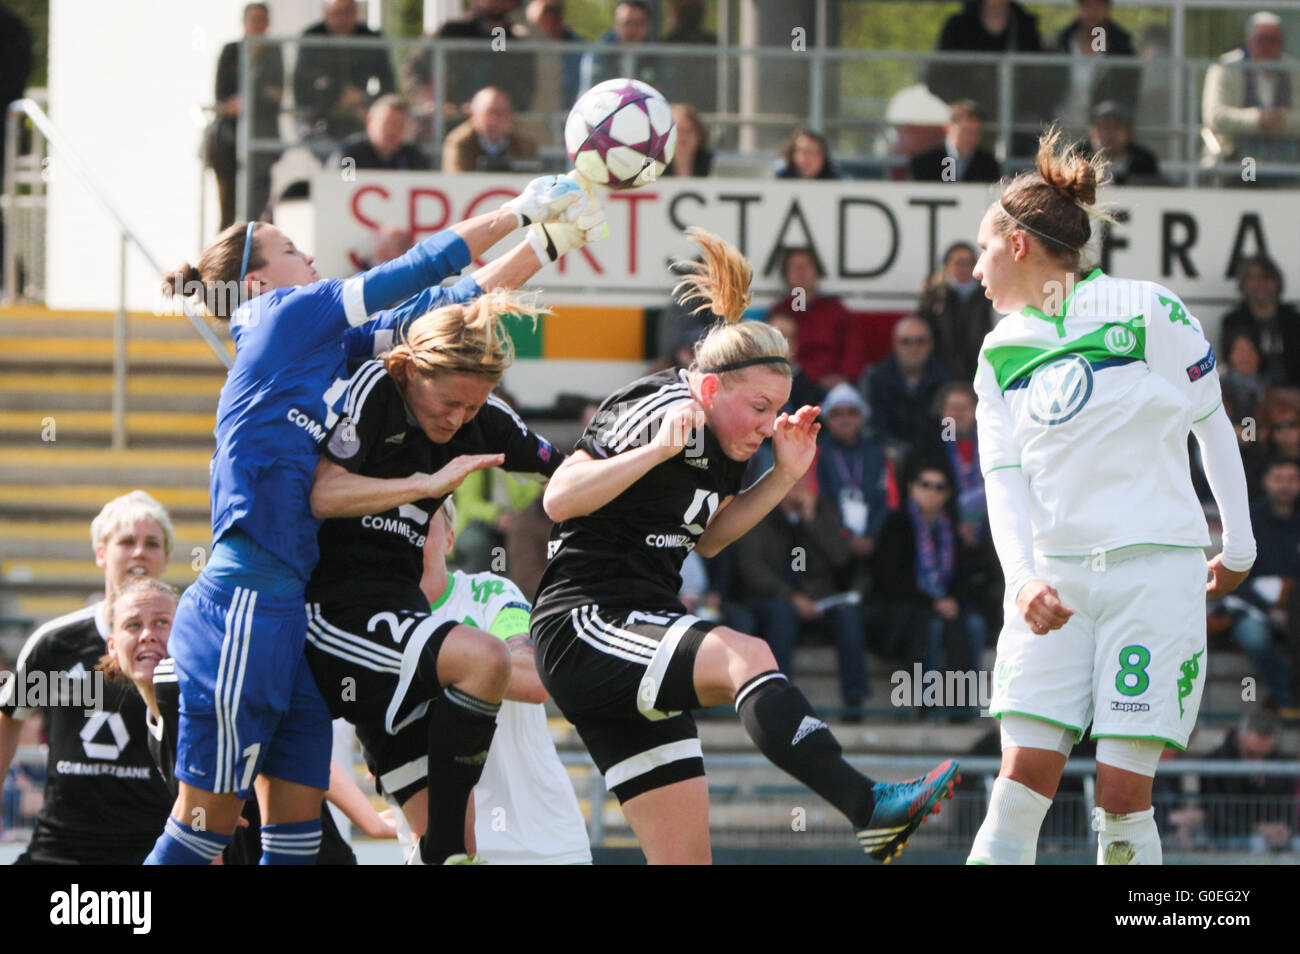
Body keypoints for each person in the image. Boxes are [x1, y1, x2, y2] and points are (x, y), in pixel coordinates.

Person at [144, 175, 605, 866]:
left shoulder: (322, 347)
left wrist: (545, 242)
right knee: (201, 831)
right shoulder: (282, 318)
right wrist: (515, 212)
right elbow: (414, 269)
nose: (310, 257)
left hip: (287, 610)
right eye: (292, 248)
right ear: (256, 284)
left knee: (295, 840)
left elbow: (443, 307)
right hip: (243, 601)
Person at [530, 227, 959, 864]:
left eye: (776, 409)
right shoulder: (659, 406)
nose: (766, 425)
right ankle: (867, 805)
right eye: (759, 408)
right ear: (709, 389)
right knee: (746, 652)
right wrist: (654, 452)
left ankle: (868, 809)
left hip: (644, 628)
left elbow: (710, 539)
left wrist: (784, 473)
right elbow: (558, 499)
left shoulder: (735, 440)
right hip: (585, 622)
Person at [965, 129, 1256, 865]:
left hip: (1153, 576)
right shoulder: (999, 351)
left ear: (1020, 246)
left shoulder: (1148, 311)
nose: (974, 269)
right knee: (1017, 785)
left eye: (983, 249)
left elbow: (1212, 424)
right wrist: (1023, 576)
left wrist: (1240, 546)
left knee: (1122, 801)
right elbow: (1002, 479)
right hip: (1051, 585)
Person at [303, 291, 568, 865]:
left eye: (472, 407)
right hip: (335, 611)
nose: (458, 419)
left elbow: (568, 472)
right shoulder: (376, 391)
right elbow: (323, 493)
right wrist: (426, 484)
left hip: (401, 620)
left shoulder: (485, 420)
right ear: (410, 369)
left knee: (461, 840)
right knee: (485, 660)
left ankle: (446, 852)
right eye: (449, 402)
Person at [100, 578, 394, 865]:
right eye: (133, 625)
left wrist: (369, 821)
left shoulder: (194, 688)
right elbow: (200, 827)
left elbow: (300, 748)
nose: (148, 634)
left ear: (186, 633)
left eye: (162, 622)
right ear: (112, 646)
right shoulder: (155, 724)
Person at [0, 492, 175, 864]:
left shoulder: (186, 644)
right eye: (127, 542)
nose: (139, 552)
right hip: (60, 849)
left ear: (166, 557)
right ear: (101, 553)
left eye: (152, 544)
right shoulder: (56, 644)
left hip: (154, 850)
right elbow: (10, 718)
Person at [416, 499, 592, 864]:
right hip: (442, 848)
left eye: (421, 521)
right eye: (395, 520)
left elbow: (533, 680)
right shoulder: (367, 620)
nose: (407, 532)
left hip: (542, 843)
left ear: (450, 539)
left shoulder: (490, 593)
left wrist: (427, 662)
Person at [731, 470, 869, 716]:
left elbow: (841, 557)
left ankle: (855, 700)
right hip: (775, 598)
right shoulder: (760, 512)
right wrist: (790, 596)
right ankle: (780, 698)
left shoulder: (823, 511)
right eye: (792, 481)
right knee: (781, 614)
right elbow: (751, 568)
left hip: (820, 600)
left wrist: (811, 520)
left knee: (848, 616)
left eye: (803, 482)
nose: (798, 488)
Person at [1217, 457, 1300, 715]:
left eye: (1291, 479)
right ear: (1266, 481)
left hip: (1295, 608)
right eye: (1278, 479)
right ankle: (1288, 697)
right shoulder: (1248, 518)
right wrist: (1271, 611)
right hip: (1252, 605)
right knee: (1255, 639)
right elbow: (1234, 578)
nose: (1285, 486)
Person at [1203, 12, 1300, 181]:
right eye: (1262, 40)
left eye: (1274, 40)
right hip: (1237, 158)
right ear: (1249, 41)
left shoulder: (1294, 71)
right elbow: (1214, 116)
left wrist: (1283, 120)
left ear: (1282, 43)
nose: (1267, 47)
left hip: (1288, 162)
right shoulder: (1226, 67)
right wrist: (1258, 119)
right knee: (1248, 179)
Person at [210, 2, 283, 228]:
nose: (257, 24)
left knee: (256, 203)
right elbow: (223, 98)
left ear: (268, 23)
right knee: (229, 205)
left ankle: (249, 247)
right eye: (253, 19)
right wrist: (249, 99)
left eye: (262, 19)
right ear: (244, 22)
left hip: (261, 139)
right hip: (229, 141)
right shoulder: (231, 50)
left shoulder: (273, 52)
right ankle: (226, 254)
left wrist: (247, 100)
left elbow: (277, 94)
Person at [293, 0, 396, 145]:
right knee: (337, 158)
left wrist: (367, 104)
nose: (341, 19)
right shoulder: (312, 37)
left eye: (346, 13)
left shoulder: (371, 38)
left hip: (360, 118)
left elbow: (388, 84)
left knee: (363, 153)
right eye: (335, 14)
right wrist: (337, 97)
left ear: (356, 13)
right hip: (319, 118)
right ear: (325, 14)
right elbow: (302, 87)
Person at [769, 248, 865, 390]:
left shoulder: (836, 309)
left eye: (806, 266)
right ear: (786, 276)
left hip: (835, 386)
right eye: (794, 267)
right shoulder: (779, 313)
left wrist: (845, 376)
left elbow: (854, 349)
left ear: (817, 273)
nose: (801, 272)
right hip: (793, 385)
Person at [1200, 711, 1297, 851]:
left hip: (1273, 839)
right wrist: (1258, 828)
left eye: (1265, 756)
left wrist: (1282, 829)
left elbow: (1286, 810)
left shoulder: (1281, 764)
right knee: (1258, 845)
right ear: (1240, 738)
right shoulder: (1214, 762)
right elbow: (1217, 816)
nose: (1258, 762)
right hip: (1230, 838)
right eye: (1251, 754)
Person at [861, 315, 949, 460]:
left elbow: (949, 424)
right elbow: (871, 425)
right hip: (888, 455)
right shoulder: (875, 380)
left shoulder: (945, 381)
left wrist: (949, 446)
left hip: (934, 456)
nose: (913, 348)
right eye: (906, 342)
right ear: (895, 345)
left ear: (931, 345)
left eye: (920, 341)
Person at [1048, 0, 1139, 127]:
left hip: (1101, 134)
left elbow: (1127, 96)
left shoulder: (1121, 49)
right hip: (1059, 128)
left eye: (1098, 6)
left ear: (1108, 9)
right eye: (1087, 6)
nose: (1092, 12)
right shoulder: (1060, 44)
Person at [1219, 254, 1300, 388]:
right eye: (1252, 278)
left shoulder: (1293, 320)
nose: (1259, 284)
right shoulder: (1233, 321)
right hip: (1251, 394)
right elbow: (1231, 367)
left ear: (1276, 281)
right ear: (1243, 284)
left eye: (1265, 277)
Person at [918, 241, 993, 382]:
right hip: (941, 369)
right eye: (958, 262)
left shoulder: (988, 294)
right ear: (947, 265)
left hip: (979, 366)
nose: (964, 268)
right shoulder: (934, 295)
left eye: (968, 262)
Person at [441, 87, 540, 173]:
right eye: (489, 113)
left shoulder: (524, 145)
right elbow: (456, 178)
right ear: (473, 116)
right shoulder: (460, 142)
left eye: (502, 113)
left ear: (511, 116)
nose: (495, 120)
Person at [908, 100, 1000, 184]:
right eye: (965, 131)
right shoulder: (925, 162)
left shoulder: (988, 163)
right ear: (948, 128)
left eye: (976, 132)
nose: (971, 138)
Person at [334, 95, 431, 172]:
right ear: (369, 122)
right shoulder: (350, 155)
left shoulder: (414, 157)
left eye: (399, 125)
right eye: (388, 124)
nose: (393, 131)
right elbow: (343, 187)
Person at [578, 0, 658, 94]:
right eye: (627, 23)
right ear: (616, 25)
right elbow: (593, 95)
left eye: (637, 23)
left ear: (647, 26)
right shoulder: (600, 53)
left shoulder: (656, 53)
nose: (632, 30)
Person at [1078, 101, 1161, 186]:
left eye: (1117, 127)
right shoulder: (1079, 156)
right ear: (1093, 133)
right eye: (1104, 127)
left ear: (1129, 133)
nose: (1110, 133)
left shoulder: (1144, 161)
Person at [663, 103, 713, 178]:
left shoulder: (714, 164)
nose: (683, 136)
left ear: (699, 135)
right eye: (677, 131)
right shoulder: (652, 168)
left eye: (688, 131)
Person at [775, 128, 844, 180]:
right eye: (803, 152)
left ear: (823, 157)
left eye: (813, 152)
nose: (808, 158)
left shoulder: (837, 178)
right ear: (792, 155)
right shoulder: (781, 176)